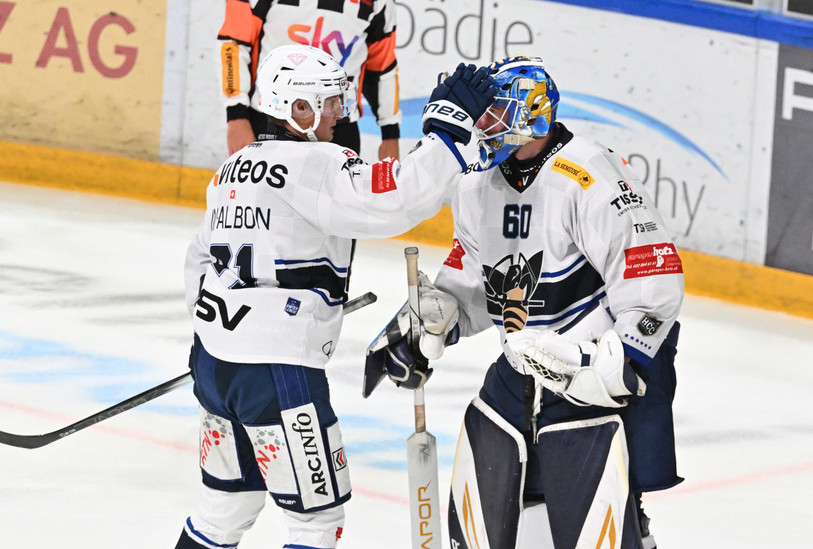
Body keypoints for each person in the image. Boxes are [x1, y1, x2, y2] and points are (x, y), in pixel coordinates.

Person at [173, 44, 497, 549]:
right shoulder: (314, 162)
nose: (339, 114)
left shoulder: (230, 169)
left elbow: (198, 263)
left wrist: (227, 344)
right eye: (327, 103)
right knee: (316, 524)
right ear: (296, 108)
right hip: (278, 374)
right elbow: (394, 201)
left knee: (224, 510)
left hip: (214, 364)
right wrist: (447, 133)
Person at [364, 55, 684, 549]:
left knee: (602, 527)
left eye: (492, 112)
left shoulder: (589, 173)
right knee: (492, 513)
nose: (481, 125)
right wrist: (432, 319)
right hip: (519, 377)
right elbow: (475, 280)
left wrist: (613, 363)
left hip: (589, 380)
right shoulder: (475, 183)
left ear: (529, 112)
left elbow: (651, 277)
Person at [218, 0, 402, 160]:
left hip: (338, 125)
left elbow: (381, 68)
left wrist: (390, 134)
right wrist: (236, 115)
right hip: (270, 118)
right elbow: (233, 43)